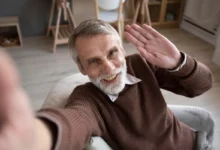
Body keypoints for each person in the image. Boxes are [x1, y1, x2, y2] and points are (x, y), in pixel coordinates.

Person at [0, 19, 214, 150]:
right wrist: (30, 137)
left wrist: (179, 63)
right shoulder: (87, 99)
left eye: (112, 53)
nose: (109, 68)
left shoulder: (143, 64)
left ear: (122, 50)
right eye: (93, 61)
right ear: (82, 69)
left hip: (195, 142)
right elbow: (73, 123)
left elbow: (202, 86)